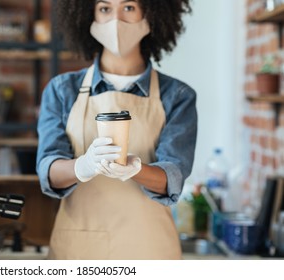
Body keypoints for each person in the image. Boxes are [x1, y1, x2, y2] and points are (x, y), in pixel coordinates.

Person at [36, 0, 196, 259]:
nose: (116, 20)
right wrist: (83, 166)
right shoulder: (62, 90)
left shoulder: (177, 96)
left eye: (129, 7)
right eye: (105, 8)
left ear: (151, 14)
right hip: (80, 251)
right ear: (89, 16)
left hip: (150, 251)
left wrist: (136, 169)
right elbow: (48, 171)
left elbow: (173, 176)